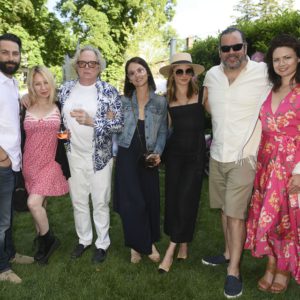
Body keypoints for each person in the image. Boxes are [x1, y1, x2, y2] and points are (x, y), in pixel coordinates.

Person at [201, 27, 271, 298]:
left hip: (245, 156)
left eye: (236, 47)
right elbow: (208, 104)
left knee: (235, 214)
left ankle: (234, 271)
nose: (231, 53)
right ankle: (228, 251)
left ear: (245, 46)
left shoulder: (263, 74)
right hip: (217, 153)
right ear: (220, 51)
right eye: (226, 48)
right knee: (222, 209)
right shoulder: (212, 74)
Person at [57, 45, 123, 264]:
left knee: (100, 201)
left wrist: (93, 121)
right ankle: (83, 239)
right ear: (76, 66)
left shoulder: (108, 91)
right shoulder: (65, 89)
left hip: (100, 157)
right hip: (72, 155)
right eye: (83, 63)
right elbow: (57, 118)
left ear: (98, 66)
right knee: (78, 201)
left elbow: (118, 123)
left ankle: (102, 243)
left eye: (92, 64)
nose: (87, 67)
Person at [245, 34, 300, 293]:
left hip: (291, 165)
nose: (282, 63)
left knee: (286, 219)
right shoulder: (270, 89)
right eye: (277, 59)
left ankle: (284, 268)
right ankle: (270, 261)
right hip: (266, 163)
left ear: (298, 58)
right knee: (267, 215)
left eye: (287, 57)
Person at [114, 57, 167, 264]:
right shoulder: (122, 101)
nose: (137, 75)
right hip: (128, 152)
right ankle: (144, 245)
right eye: (131, 73)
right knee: (131, 202)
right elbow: (112, 124)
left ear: (147, 72)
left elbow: (163, 131)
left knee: (148, 200)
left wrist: (159, 153)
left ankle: (138, 244)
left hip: (149, 155)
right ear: (128, 78)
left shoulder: (160, 102)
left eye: (140, 70)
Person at [157, 53, 206, 273]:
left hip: (195, 156)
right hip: (174, 156)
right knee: (175, 200)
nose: (185, 75)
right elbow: (164, 131)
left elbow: (224, 117)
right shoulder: (166, 100)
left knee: (187, 199)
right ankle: (184, 243)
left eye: (189, 71)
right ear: (172, 75)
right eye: (180, 71)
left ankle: (171, 250)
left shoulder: (203, 94)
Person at [22, 66, 69, 264]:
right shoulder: (24, 105)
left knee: (33, 203)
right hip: (29, 163)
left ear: (51, 82)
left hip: (50, 162)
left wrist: (67, 135)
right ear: (32, 86)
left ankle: (48, 240)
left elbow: (64, 133)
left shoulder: (60, 105)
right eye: (37, 84)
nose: (42, 87)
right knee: (40, 204)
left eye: (45, 82)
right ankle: (41, 240)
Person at [0, 33, 34, 284]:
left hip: (13, 162)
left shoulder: (11, 84)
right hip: (2, 162)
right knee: (0, 221)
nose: (11, 58)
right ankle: (2, 269)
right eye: (5, 52)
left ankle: (9, 254)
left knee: (8, 216)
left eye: (14, 53)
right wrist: (1, 156)